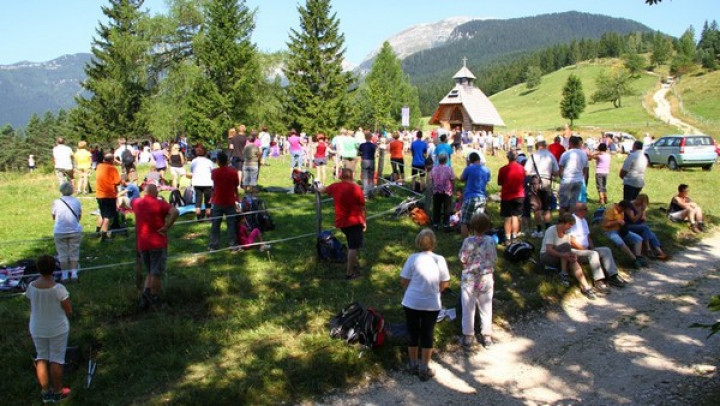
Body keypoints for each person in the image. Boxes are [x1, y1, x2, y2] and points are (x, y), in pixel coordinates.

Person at [400, 228, 450, 381]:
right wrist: (436, 291)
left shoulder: (412, 258)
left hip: (411, 302)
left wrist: (412, 290)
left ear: (418, 242)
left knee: (412, 331)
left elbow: (403, 280)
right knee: (428, 333)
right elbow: (445, 283)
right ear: (434, 243)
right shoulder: (439, 259)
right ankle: (424, 366)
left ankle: (412, 363)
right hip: (431, 303)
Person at [26, 255, 73, 403]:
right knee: (56, 359)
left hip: (37, 327)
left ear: (38, 269)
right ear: (53, 269)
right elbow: (68, 310)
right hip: (57, 327)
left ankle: (46, 392)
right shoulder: (58, 289)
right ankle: (58, 391)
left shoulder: (31, 286)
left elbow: (31, 301)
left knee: (41, 357)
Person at [132, 184, 179, 310]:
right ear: (155, 193)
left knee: (150, 271)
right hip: (157, 242)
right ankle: (155, 298)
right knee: (156, 273)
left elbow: (124, 202)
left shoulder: (136, 203)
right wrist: (167, 226)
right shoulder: (159, 204)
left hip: (142, 243)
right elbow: (175, 211)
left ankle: (145, 297)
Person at [318, 168, 366, 279]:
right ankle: (349, 273)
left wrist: (317, 187)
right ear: (352, 176)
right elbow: (363, 206)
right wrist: (364, 221)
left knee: (352, 243)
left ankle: (351, 264)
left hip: (342, 222)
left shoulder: (335, 186)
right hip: (354, 221)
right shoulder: (356, 188)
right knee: (353, 247)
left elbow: (323, 190)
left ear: (341, 176)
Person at [569, 203, 628, 291]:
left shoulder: (583, 220)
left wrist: (592, 248)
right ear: (579, 211)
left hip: (586, 249)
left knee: (606, 250)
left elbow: (588, 237)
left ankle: (613, 276)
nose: (587, 211)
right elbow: (571, 240)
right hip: (575, 250)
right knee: (593, 254)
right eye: (585, 209)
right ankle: (598, 281)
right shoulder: (572, 220)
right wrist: (585, 249)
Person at [459, 213, 496, 349]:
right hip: (486, 277)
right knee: (486, 306)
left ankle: (468, 335)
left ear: (472, 226)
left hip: (469, 278)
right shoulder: (490, 240)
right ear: (487, 227)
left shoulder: (468, 241)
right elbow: (493, 258)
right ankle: (487, 336)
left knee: (468, 307)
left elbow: (463, 259)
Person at [539, 213, 597, 299]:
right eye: (569, 225)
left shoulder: (567, 232)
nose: (570, 227)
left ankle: (585, 287)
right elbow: (549, 249)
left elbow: (568, 248)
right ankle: (564, 273)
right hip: (547, 256)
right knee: (565, 248)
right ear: (563, 223)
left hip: (561, 256)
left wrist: (572, 255)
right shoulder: (551, 230)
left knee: (572, 260)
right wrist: (563, 255)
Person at [524, 136, 559, 238]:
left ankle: (539, 230)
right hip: (547, 181)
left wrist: (533, 175)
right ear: (545, 146)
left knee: (536, 208)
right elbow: (556, 173)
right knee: (546, 207)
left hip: (535, 183)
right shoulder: (550, 156)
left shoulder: (533, 156)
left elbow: (526, 172)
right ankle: (548, 229)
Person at [602, 200, 648, 268]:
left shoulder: (622, 212)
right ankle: (634, 260)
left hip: (620, 230)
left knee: (638, 239)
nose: (627, 211)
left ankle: (638, 257)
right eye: (627, 210)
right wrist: (617, 222)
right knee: (621, 242)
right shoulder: (611, 210)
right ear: (622, 207)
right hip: (610, 231)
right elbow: (605, 224)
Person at [52, 182, 82, 282]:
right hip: (74, 229)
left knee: (62, 253)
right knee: (74, 252)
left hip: (60, 230)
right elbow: (79, 216)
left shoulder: (56, 202)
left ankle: (64, 275)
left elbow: (53, 215)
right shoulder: (76, 201)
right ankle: (74, 274)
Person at [626, 194, 669, 260]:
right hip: (629, 225)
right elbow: (633, 220)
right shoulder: (630, 205)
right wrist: (641, 211)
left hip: (639, 226)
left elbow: (643, 218)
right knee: (645, 228)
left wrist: (643, 214)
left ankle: (660, 252)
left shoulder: (641, 206)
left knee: (652, 234)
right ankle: (648, 249)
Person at [459, 152, 491, 238]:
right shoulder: (487, 170)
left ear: (470, 160)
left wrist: (468, 165)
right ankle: (478, 240)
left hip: (471, 197)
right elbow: (487, 180)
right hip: (482, 197)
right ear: (479, 160)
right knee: (478, 221)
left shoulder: (469, 168)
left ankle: (465, 241)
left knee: (464, 221)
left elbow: (461, 178)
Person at [498, 150, 526, 244]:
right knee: (515, 216)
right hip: (519, 195)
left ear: (508, 157)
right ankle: (514, 236)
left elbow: (499, 182)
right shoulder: (522, 168)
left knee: (507, 217)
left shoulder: (503, 169)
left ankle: (507, 238)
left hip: (507, 195)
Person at [558, 136, 588, 215]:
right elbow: (585, 169)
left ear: (570, 143)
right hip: (578, 180)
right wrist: (582, 178)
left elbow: (560, 168)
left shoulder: (566, 154)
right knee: (573, 203)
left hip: (567, 180)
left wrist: (562, 177)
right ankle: (571, 219)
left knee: (563, 204)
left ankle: (562, 220)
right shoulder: (583, 154)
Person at [95, 153, 121, 242]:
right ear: (112, 160)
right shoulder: (113, 169)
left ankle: (97, 231)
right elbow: (117, 182)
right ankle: (104, 236)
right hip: (109, 195)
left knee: (101, 213)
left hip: (99, 195)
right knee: (107, 216)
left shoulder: (99, 166)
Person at [188, 145, 214, 221]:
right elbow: (213, 171)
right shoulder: (209, 162)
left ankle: (198, 216)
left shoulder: (193, 161)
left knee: (198, 199)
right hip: (207, 182)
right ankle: (208, 215)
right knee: (208, 200)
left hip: (197, 182)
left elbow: (192, 171)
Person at [430, 154, 455, 229]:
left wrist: (432, 187)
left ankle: (436, 223)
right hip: (447, 190)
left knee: (436, 207)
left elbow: (431, 179)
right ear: (446, 160)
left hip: (436, 190)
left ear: (438, 160)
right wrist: (453, 188)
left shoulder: (434, 169)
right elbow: (452, 179)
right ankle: (446, 224)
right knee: (447, 207)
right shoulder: (449, 169)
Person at [358, 131, 377, 195]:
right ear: (371, 137)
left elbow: (359, 153)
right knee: (371, 177)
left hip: (364, 160)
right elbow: (375, 154)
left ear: (365, 138)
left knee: (365, 177)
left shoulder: (362, 145)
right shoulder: (374, 145)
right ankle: (371, 191)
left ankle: (365, 192)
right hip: (371, 161)